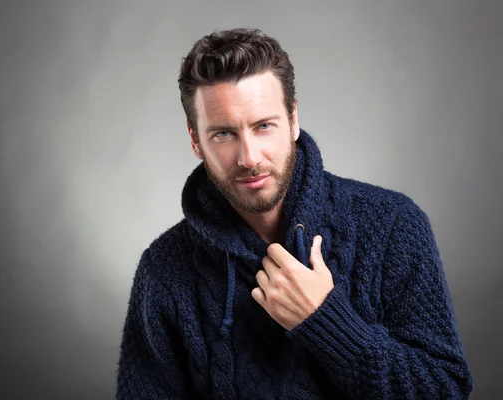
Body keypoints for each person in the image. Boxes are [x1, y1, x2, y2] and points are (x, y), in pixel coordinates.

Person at [116, 28, 473, 399]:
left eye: (264, 126)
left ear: (293, 120)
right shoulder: (163, 270)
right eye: (224, 134)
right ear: (195, 141)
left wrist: (327, 322)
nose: (249, 157)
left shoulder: (393, 225)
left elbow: (445, 389)